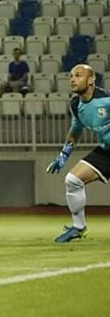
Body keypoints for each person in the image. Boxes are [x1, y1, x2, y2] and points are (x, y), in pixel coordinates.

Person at [46, 64, 110, 242]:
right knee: (73, 180)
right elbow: (75, 130)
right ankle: (79, 227)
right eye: (71, 76)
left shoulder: (107, 99)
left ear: (91, 80)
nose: (73, 80)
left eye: (78, 75)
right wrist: (63, 155)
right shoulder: (76, 105)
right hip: (106, 151)